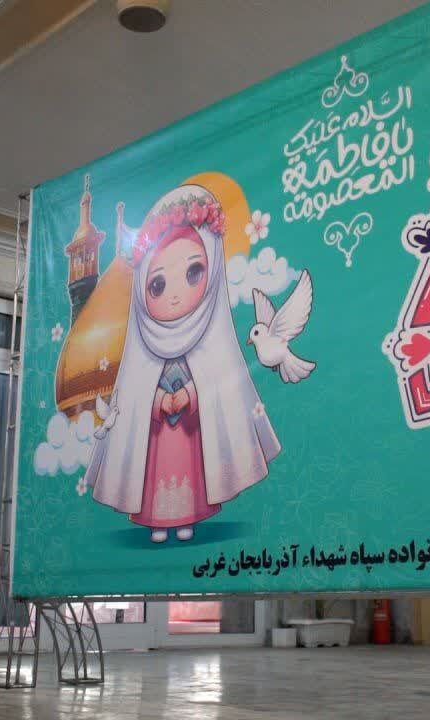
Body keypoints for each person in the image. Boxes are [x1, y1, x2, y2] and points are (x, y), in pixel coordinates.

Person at [83, 185, 281, 543]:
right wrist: (158, 400)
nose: (174, 295)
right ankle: (158, 522)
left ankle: (188, 518)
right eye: (157, 284)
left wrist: (191, 392)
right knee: (157, 471)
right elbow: (133, 395)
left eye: (193, 272)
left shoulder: (213, 339)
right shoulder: (142, 347)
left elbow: (219, 382)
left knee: (190, 469)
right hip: (160, 430)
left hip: (188, 428)